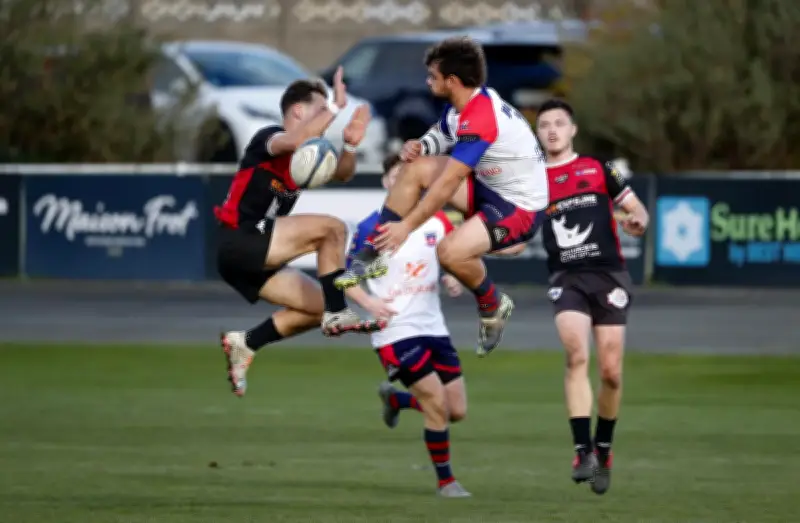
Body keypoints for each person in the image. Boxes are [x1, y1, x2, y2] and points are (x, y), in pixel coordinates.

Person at [336, 36, 549, 357]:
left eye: (432, 76)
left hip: (520, 209)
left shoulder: (481, 118)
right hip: (490, 189)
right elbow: (443, 132)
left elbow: (448, 184)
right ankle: (376, 252)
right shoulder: (464, 106)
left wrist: (406, 226)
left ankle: (493, 306)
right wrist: (423, 145)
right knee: (416, 167)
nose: (427, 81)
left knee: (449, 253)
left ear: (452, 81)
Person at [214, 68, 384, 398]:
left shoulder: (307, 155)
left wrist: (349, 145)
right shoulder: (270, 137)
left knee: (318, 307)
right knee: (332, 229)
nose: (327, 118)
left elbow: (344, 174)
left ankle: (246, 343)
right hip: (241, 237)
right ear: (298, 111)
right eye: (319, 111)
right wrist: (334, 106)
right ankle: (338, 313)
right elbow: (293, 139)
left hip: (256, 255)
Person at [534, 99, 649, 495]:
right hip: (567, 278)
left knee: (611, 372)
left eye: (559, 123)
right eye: (544, 124)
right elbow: (515, 231)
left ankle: (604, 448)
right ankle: (582, 451)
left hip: (609, 275)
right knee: (576, 354)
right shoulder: (533, 179)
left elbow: (638, 211)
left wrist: (637, 220)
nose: (552, 130)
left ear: (573, 130)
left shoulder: (600, 169)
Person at [344, 153, 471, 498]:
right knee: (436, 403)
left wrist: (453, 277)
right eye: (398, 176)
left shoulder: (436, 221)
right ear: (387, 183)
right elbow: (348, 278)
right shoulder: (374, 228)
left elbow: (455, 255)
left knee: (456, 409)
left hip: (434, 327)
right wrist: (369, 303)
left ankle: (398, 401)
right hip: (395, 331)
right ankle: (446, 482)